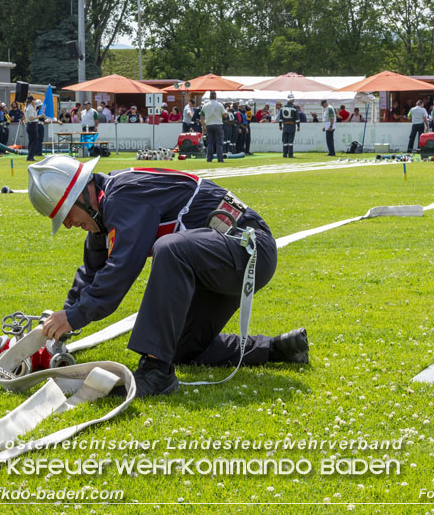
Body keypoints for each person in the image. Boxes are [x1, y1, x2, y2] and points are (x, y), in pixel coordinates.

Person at [27, 156, 308, 398]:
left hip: (249, 251)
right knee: (183, 348)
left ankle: (155, 372)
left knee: (170, 249)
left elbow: (121, 269)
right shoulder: (106, 208)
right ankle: (278, 348)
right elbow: (91, 271)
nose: (67, 223)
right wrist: (64, 318)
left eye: (66, 212)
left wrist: (75, 316)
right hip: (219, 262)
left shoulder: (123, 197)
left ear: (83, 194)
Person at [200, 91, 226, 163]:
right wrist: (226, 111)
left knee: (210, 143)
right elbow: (225, 115)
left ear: (209, 97)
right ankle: (220, 159)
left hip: (209, 125)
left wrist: (203, 126)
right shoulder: (220, 105)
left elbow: (201, 117)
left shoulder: (205, 105)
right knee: (219, 143)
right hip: (218, 125)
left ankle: (209, 158)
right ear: (216, 97)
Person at [279, 94, 301, 158]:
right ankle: (290, 155)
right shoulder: (294, 108)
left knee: (285, 141)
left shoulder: (283, 107)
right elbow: (297, 118)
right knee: (290, 141)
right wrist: (298, 126)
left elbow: (280, 118)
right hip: (292, 125)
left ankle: (284, 154)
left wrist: (280, 125)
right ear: (292, 100)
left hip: (285, 125)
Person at [24, 96, 39, 161]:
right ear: (31, 100)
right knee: (34, 141)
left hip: (30, 124)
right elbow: (31, 118)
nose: (34, 101)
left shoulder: (27, 107)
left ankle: (30, 155)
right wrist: (39, 116)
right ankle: (30, 156)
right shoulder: (30, 108)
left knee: (31, 141)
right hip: (32, 124)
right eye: (34, 100)